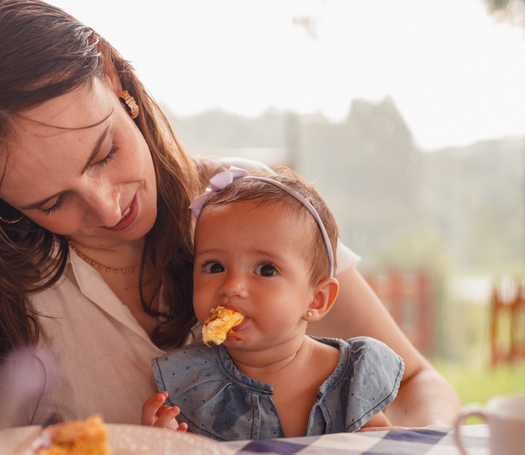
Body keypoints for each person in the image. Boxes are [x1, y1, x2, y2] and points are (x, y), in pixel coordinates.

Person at [0, 0, 460, 453]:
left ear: (111, 76)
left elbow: (414, 384)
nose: (110, 210)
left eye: (105, 152)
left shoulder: (244, 203)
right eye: (52, 203)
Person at [144, 168, 402, 440]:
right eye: (214, 266)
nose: (231, 287)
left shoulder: (351, 376)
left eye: (266, 270)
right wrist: (163, 442)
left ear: (317, 299)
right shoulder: (190, 382)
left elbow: (382, 451)